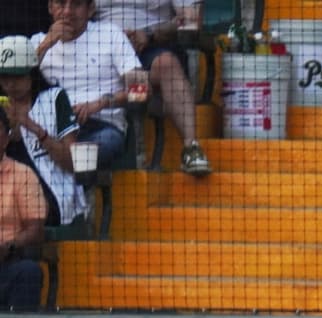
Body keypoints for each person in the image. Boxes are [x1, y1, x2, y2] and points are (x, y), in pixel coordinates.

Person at [92, 0, 212, 176]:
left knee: (166, 65)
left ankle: (191, 148)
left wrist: (150, 35)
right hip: (100, 51)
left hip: (152, 49)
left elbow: (191, 21)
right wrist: (112, 39)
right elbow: (71, 13)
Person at [31, 0, 142, 170]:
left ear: (90, 9)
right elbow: (13, 86)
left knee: (82, 156)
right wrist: (47, 43)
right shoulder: (36, 43)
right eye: (61, 3)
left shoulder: (110, 34)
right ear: (50, 7)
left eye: (76, 4)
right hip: (54, 132)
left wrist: (100, 104)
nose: (67, 12)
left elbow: (141, 91)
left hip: (102, 127)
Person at [0, 35, 88, 228]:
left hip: (53, 192)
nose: (10, 85)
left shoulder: (55, 99)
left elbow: (73, 163)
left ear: (32, 72)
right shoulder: (1, 105)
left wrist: (31, 127)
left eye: (16, 76)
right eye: (4, 77)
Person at [0, 105, 48, 311]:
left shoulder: (22, 174)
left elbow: (35, 231)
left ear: (5, 138)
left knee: (28, 272)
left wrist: (8, 246)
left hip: (6, 263)